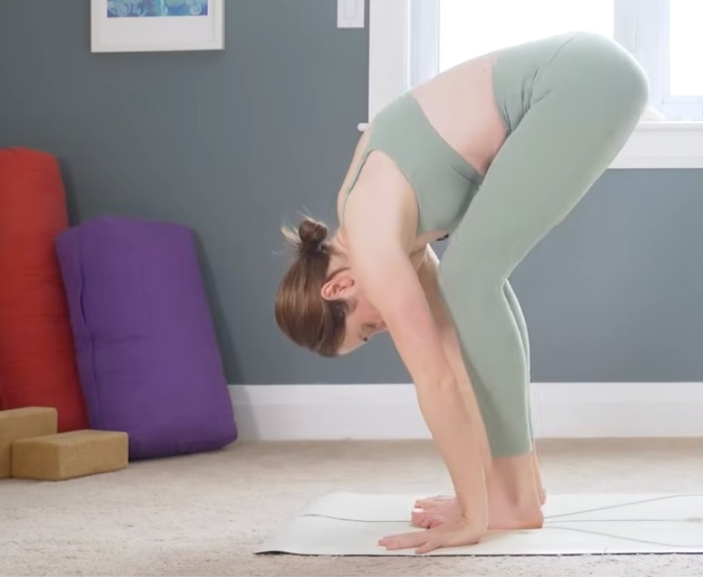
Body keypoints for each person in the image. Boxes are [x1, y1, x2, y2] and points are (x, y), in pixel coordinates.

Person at [274, 32, 647, 552]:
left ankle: (509, 498)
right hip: (589, 75)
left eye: (368, 326)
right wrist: (471, 492)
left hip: (583, 80)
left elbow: (436, 385)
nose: (382, 327)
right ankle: (519, 487)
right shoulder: (376, 225)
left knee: (471, 276)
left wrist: (471, 517)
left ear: (340, 286)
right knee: (473, 281)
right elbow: (455, 356)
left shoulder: (373, 234)